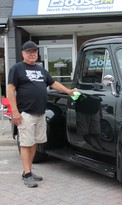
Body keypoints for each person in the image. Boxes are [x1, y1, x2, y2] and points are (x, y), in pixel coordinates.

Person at [7, 41, 76, 188]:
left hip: (40, 113)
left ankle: (29, 171)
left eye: (34, 51)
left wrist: (68, 91)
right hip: (25, 113)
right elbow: (10, 89)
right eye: (29, 52)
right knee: (26, 144)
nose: (32, 54)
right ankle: (26, 174)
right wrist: (15, 111)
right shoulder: (17, 68)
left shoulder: (41, 70)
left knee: (34, 144)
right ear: (23, 53)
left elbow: (53, 83)